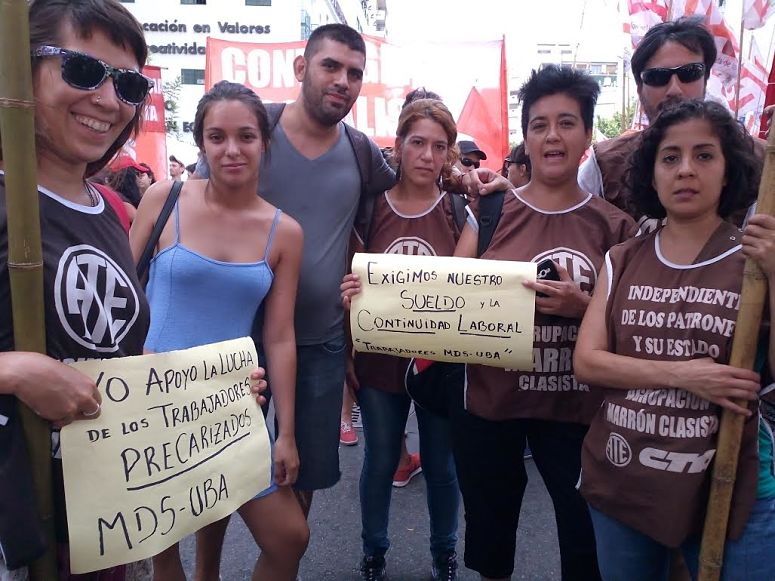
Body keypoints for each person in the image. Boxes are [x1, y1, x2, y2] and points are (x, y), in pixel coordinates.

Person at [574, 99, 775, 581]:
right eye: (670, 157)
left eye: (704, 155)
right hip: (625, 476)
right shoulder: (620, 259)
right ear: (652, 174)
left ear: (728, 171)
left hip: (732, 481)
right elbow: (589, 362)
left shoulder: (756, 260)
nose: (686, 170)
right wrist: (685, 376)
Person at [451, 65, 636, 581]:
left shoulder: (614, 226)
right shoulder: (489, 212)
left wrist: (584, 307)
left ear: (585, 135)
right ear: (526, 136)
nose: (552, 135)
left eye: (566, 122)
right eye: (539, 124)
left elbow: (631, 328)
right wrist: (376, 296)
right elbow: (446, 297)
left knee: (584, 540)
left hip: (577, 411)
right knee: (490, 540)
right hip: (489, 406)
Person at [130, 81, 309, 581]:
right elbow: (120, 298)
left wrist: (286, 433)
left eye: (246, 136)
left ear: (264, 143)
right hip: (153, 402)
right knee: (164, 553)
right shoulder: (164, 198)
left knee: (289, 538)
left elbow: (279, 337)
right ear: (201, 142)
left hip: (232, 407)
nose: (232, 149)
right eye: (217, 136)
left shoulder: (284, 231)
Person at [0, 0, 151, 577]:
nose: (110, 101)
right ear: (20, 69)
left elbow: (107, 352)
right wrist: (13, 370)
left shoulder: (109, 208)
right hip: (22, 534)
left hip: (107, 521)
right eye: (83, 70)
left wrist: (197, 385)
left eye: (129, 83)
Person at [341, 99, 462, 581]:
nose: (427, 156)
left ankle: (444, 551)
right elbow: (349, 274)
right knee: (380, 459)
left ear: (449, 153)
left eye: (438, 146)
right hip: (378, 362)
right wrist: (348, 291)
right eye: (418, 143)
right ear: (399, 145)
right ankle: (374, 550)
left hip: (438, 364)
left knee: (441, 464)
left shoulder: (459, 212)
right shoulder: (371, 209)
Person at [577, 17, 719, 226]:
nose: (674, 90)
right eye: (658, 77)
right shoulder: (604, 165)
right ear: (639, 88)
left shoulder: (757, 161)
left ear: (706, 79)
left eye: (689, 73)